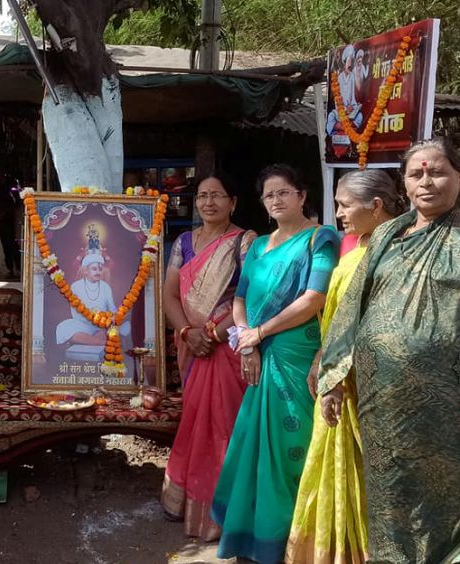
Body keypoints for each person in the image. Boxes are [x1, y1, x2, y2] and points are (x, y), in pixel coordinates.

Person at [317, 138, 460, 562]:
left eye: (438, 172)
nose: (427, 181)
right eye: (417, 174)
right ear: (405, 185)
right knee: (392, 500)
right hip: (385, 406)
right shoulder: (387, 237)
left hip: (454, 405)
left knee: (451, 504)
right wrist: (334, 379)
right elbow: (352, 308)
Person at [211, 164, 339, 563]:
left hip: (297, 356)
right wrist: (248, 342)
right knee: (253, 447)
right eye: (269, 195)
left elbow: (314, 298)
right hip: (258, 354)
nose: (276, 200)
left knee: (292, 449)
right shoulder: (259, 247)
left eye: (284, 192)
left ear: (302, 196)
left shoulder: (321, 238)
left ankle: (293, 542)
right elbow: (239, 300)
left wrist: (261, 333)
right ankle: (253, 539)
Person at [286, 169, 408, 563]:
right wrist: (322, 363)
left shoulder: (400, 257)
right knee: (332, 472)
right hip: (338, 383)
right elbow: (336, 321)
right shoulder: (353, 252)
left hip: (377, 389)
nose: (337, 213)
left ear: (376, 206)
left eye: (344, 205)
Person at [160, 172, 257, 540]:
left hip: (226, 346)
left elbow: (251, 295)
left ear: (233, 202)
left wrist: (214, 332)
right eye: (202, 196)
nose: (208, 203)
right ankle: (185, 501)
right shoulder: (184, 242)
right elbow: (169, 295)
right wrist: (188, 332)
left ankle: (224, 513)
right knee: (194, 422)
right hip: (191, 345)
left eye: (217, 195)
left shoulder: (246, 242)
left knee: (224, 428)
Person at [55, 226, 130, 361]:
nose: (98, 272)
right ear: (85, 271)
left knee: (126, 327)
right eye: (94, 269)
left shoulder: (105, 287)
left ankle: (97, 338)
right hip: (83, 325)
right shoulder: (76, 286)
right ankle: (99, 342)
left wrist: (109, 321)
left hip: (103, 325)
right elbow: (76, 311)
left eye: (100, 269)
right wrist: (92, 320)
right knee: (63, 327)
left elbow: (111, 309)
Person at [0, 172, 22, 278]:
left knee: (13, 244)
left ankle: (17, 268)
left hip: (10, 219)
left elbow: (17, 200)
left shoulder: (10, 185)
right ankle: (12, 269)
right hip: (3, 219)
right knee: (7, 245)